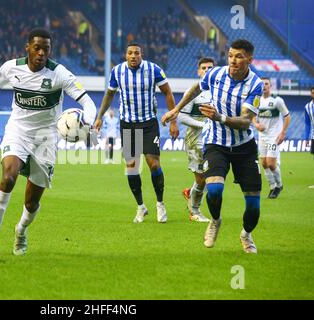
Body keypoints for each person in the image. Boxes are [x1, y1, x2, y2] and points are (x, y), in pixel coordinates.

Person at [0, 29, 97, 263]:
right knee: (8, 177)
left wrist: (87, 121)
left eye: (46, 49)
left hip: (46, 139)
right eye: (37, 47)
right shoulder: (11, 68)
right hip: (18, 132)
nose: (42, 53)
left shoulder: (59, 74)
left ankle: (21, 231)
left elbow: (87, 101)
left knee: (31, 202)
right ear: (28, 48)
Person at [162, 39, 264, 254]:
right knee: (215, 189)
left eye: (239, 56)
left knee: (254, 206)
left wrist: (219, 117)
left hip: (244, 146)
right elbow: (196, 88)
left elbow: (245, 121)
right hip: (215, 142)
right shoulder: (216, 74)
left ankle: (246, 234)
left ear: (249, 59)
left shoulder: (255, 84)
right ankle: (215, 221)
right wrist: (176, 110)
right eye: (230, 55)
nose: (233, 60)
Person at [94, 43, 179, 224]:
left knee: (153, 164)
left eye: (137, 53)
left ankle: (160, 203)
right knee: (131, 166)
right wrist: (99, 116)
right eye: (130, 53)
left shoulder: (153, 69)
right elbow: (109, 95)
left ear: (142, 54)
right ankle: (141, 207)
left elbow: (167, 92)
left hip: (148, 123)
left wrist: (173, 120)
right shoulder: (117, 72)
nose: (133, 56)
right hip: (128, 125)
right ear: (125, 55)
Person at [179, 57, 215, 223]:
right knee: (202, 178)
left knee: (213, 175)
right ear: (198, 71)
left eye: (210, 68)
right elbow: (181, 117)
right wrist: (202, 125)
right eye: (204, 68)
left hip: (214, 140)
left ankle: (190, 193)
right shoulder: (193, 92)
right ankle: (194, 212)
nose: (207, 70)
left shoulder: (219, 91)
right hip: (195, 140)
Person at [252, 77, 291, 199]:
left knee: (270, 162)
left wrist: (283, 133)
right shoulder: (256, 101)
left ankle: (279, 185)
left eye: (266, 84)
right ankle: (272, 186)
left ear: (270, 86)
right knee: (263, 163)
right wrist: (256, 124)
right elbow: (252, 115)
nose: (264, 86)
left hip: (274, 136)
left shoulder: (277, 100)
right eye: (262, 84)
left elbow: (287, 116)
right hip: (262, 136)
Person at [305, 87, 314, 156]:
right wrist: (307, 138)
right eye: (313, 93)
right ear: (311, 94)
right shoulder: (308, 107)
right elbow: (307, 123)